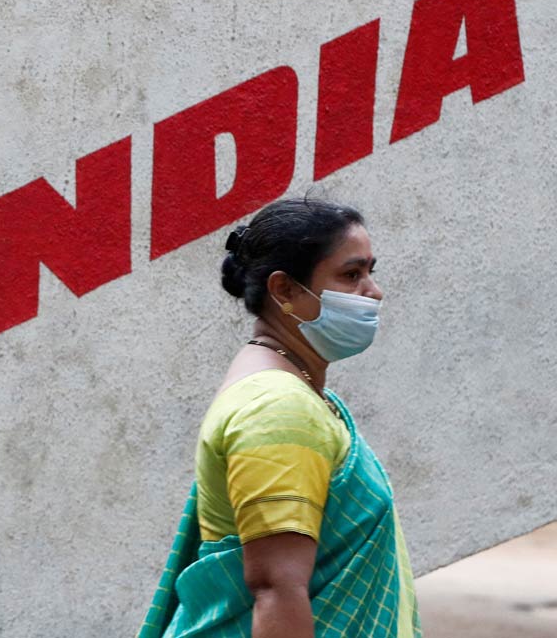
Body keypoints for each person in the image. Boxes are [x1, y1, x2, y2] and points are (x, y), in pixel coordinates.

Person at [137, 198, 421, 637]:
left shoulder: (296, 392)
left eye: (370, 272)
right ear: (284, 290)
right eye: (351, 275)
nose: (374, 291)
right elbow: (276, 588)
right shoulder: (278, 408)